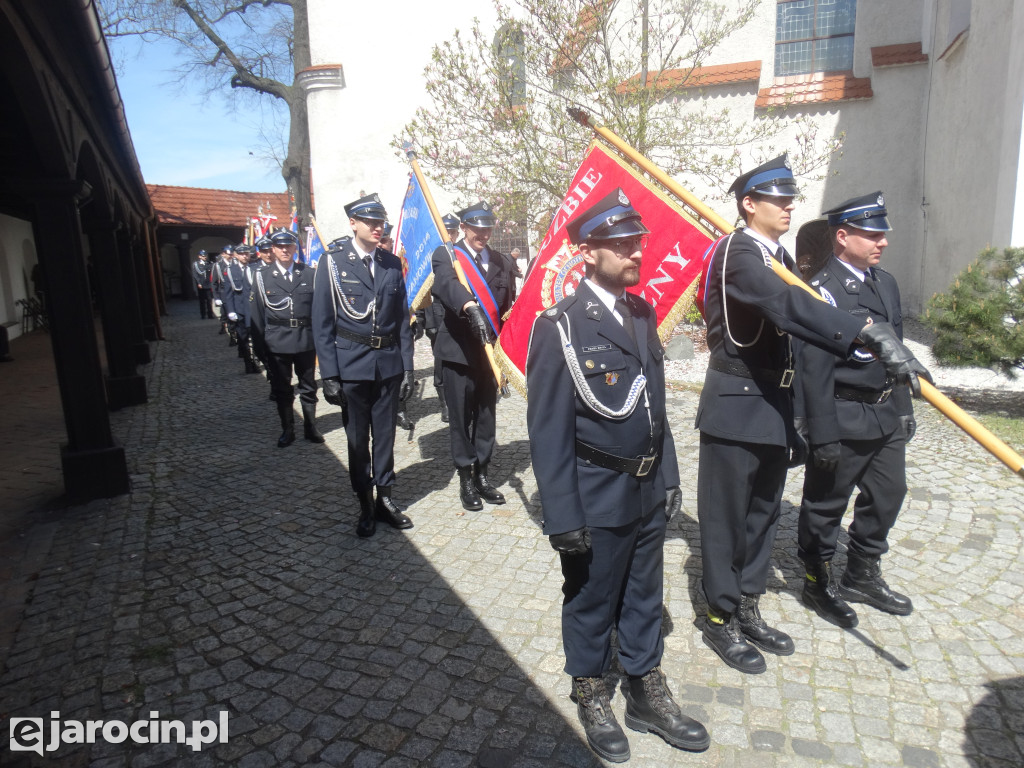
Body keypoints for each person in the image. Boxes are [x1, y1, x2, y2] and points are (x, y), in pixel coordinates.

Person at [695, 155, 931, 675]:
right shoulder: (739, 252)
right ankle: (719, 617)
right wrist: (863, 331)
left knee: (763, 515)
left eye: (790, 199)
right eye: (777, 200)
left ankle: (748, 603)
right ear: (748, 204)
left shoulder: (776, 254)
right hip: (736, 404)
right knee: (726, 521)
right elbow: (788, 306)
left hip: (774, 405)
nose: (788, 206)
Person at [527, 188, 709, 763]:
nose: (636, 252)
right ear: (586, 252)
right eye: (621, 244)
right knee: (590, 597)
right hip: (594, 489)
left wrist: (670, 474)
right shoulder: (558, 327)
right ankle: (590, 689)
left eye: (638, 242)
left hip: (647, 486)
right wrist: (562, 514)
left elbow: (654, 405)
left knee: (643, 593)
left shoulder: (641, 312)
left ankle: (645, 688)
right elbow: (547, 432)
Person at [794, 192, 916, 628]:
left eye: (882, 233)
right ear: (842, 236)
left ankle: (861, 573)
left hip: (884, 414)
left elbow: (894, 354)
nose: (880, 241)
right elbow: (813, 370)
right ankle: (817, 579)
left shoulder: (885, 283)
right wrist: (821, 434)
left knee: (889, 494)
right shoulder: (820, 292)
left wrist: (903, 408)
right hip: (842, 417)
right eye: (870, 234)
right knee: (826, 505)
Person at [312, 194, 415, 538]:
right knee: (357, 439)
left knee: (384, 437)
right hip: (351, 365)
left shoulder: (390, 263)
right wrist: (329, 374)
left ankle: (385, 499)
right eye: (369, 221)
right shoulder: (333, 263)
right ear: (353, 223)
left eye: (380, 222)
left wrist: (408, 368)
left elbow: (402, 320)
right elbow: (323, 322)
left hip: (387, 366)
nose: (377, 227)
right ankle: (365, 503)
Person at [430, 201, 515, 511]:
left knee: (486, 417)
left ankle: (482, 473)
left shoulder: (501, 262)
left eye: (487, 228)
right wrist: (470, 306)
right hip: (458, 351)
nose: (483, 233)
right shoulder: (448, 256)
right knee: (460, 417)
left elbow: (507, 309)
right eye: (477, 228)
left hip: (489, 353)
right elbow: (447, 286)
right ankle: (465, 477)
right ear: (463, 228)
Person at [249, 230, 324, 447]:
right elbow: (256, 315)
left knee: (308, 387)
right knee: (282, 389)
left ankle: (311, 427)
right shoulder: (262, 277)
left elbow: (318, 311)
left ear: (294, 248)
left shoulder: (309, 274)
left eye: (288, 246)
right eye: (280, 246)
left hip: (304, 340)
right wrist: (260, 348)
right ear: (272, 249)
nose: (284, 250)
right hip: (277, 341)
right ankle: (287, 429)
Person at [192, 249, 214, 319]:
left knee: (209, 300)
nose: (205, 257)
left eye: (205, 255)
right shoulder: (196, 264)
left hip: (208, 284)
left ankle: (210, 314)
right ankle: (203, 314)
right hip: (201, 284)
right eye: (203, 256)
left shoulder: (210, 263)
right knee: (202, 301)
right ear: (199, 256)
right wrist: (198, 282)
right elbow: (195, 274)